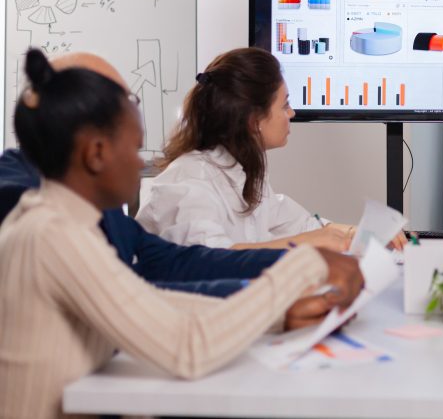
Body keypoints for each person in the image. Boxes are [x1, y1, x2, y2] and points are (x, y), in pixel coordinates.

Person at [0, 49, 364, 419]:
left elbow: (153, 299)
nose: (143, 162)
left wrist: (282, 312)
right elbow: (188, 347)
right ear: (95, 153)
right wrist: (303, 267)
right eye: (134, 146)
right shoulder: (55, 237)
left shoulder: (64, 222)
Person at [0, 52, 290, 297]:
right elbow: (133, 298)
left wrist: (298, 262)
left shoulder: (93, 196)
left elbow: (176, 263)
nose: (142, 165)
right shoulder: (26, 204)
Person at [136, 47, 406, 251]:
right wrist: (310, 242)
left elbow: (301, 226)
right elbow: (212, 260)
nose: (292, 112)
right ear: (255, 121)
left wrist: (362, 234)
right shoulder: (190, 185)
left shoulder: (240, 172)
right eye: (284, 104)